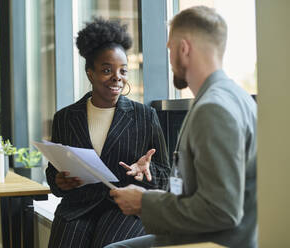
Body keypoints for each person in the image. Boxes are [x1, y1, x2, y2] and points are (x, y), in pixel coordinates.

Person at [107, 6, 257, 248]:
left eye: (170, 48)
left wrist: (144, 203)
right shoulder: (235, 98)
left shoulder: (213, 109)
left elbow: (221, 211)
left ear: (184, 49)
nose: (169, 59)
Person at [46, 18, 171, 248]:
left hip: (124, 209)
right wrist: (60, 181)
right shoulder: (65, 118)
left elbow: (165, 176)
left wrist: (147, 171)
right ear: (90, 73)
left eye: (123, 71)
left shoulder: (145, 116)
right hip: (77, 209)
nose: (117, 77)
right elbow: (53, 177)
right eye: (106, 70)